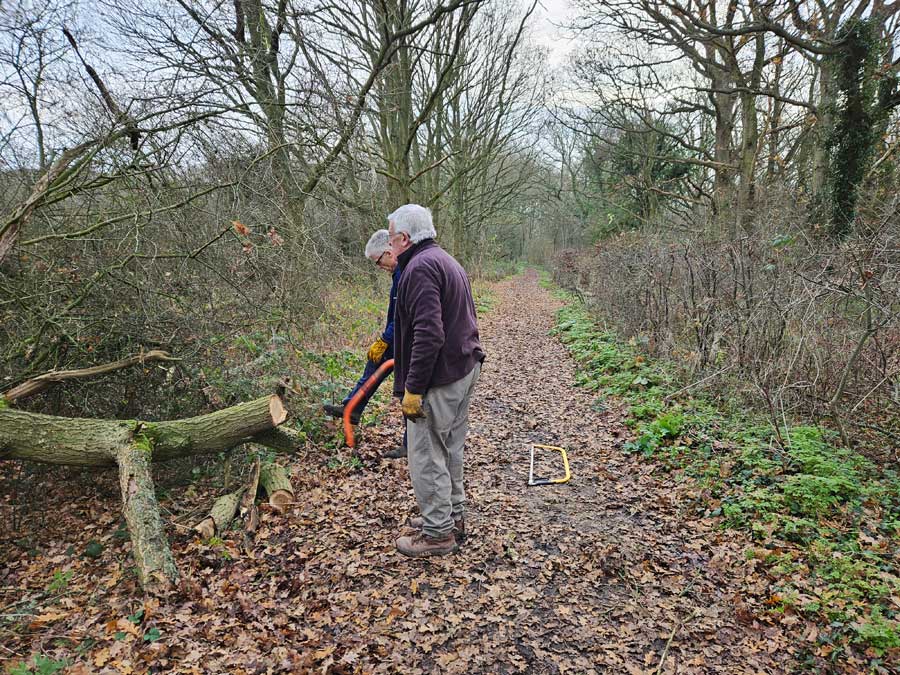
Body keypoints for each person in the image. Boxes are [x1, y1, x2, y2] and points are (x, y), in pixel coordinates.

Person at [388, 204, 485, 557]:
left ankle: (437, 533)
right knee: (449, 450)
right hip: (463, 368)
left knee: (427, 454)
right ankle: (451, 516)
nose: (389, 244)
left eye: (391, 237)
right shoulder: (445, 260)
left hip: (441, 378)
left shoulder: (419, 267)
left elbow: (429, 333)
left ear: (405, 237)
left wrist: (413, 388)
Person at [322, 229, 407, 459]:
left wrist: (385, 340)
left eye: (378, 261)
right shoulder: (397, 273)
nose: (379, 267)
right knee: (374, 360)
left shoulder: (404, 274)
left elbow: (400, 317)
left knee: (408, 393)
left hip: (406, 339)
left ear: (389, 252)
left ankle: (411, 444)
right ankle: (353, 408)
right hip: (397, 335)